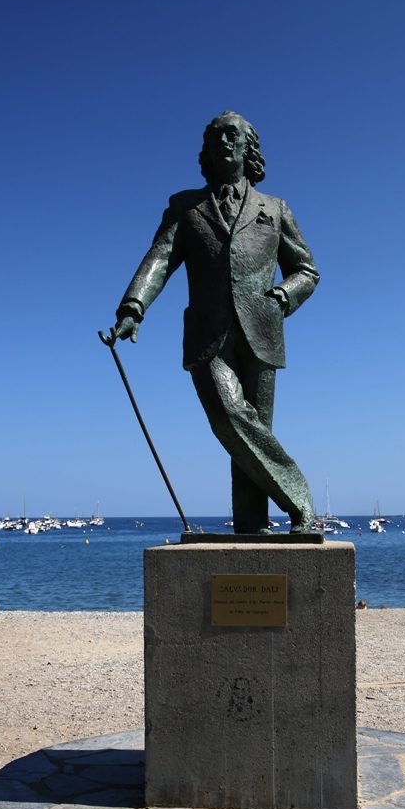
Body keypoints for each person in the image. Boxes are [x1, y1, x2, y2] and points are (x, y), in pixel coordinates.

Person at [107, 111, 319, 535]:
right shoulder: (186, 206)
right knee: (228, 416)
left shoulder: (275, 209)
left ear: (248, 147)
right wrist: (133, 307)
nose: (223, 140)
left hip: (263, 328)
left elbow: (307, 270)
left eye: (232, 134)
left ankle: (253, 525)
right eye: (215, 135)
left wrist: (284, 294)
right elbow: (160, 259)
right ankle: (299, 499)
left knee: (254, 431)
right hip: (207, 332)